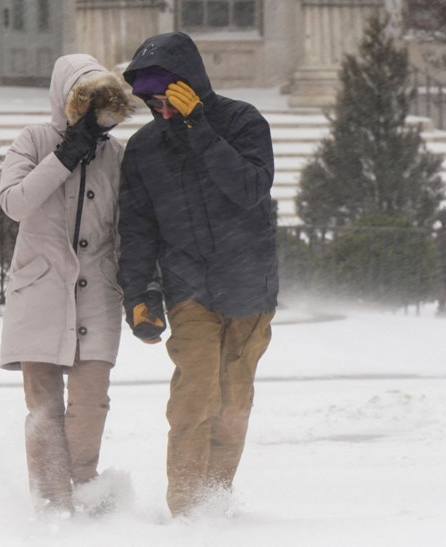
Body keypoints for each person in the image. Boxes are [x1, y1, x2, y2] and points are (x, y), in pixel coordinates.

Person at [118, 32, 278, 517]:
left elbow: (250, 189)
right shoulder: (144, 150)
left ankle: (216, 501)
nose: (161, 110)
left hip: (249, 283)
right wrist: (138, 294)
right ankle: (189, 512)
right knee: (195, 394)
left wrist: (199, 127)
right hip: (190, 288)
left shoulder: (243, 123)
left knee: (233, 402)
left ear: (192, 86)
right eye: (153, 102)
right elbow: (138, 228)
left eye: (170, 99)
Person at [0, 54, 133, 515]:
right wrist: (63, 155)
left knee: (91, 403)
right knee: (44, 408)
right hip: (39, 290)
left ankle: (85, 494)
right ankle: (52, 509)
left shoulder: (117, 154)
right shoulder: (33, 140)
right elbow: (15, 202)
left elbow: (126, 226)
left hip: (97, 290)